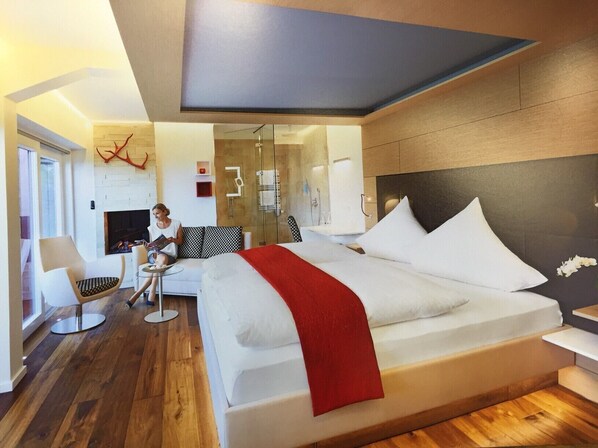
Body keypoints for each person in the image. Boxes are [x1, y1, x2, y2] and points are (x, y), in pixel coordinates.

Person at [126, 203, 182, 308]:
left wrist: (172, 240)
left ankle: (136, 295)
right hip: (155, 255)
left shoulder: (176, 224)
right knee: (160, 257)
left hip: (170, 256)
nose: (155, 216)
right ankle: (151, 294)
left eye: (157, 213)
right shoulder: (152, 227)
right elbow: (152, 246)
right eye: (154, 214)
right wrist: (148, 246)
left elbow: (180, 241)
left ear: (164, 211)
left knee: (160, 262)